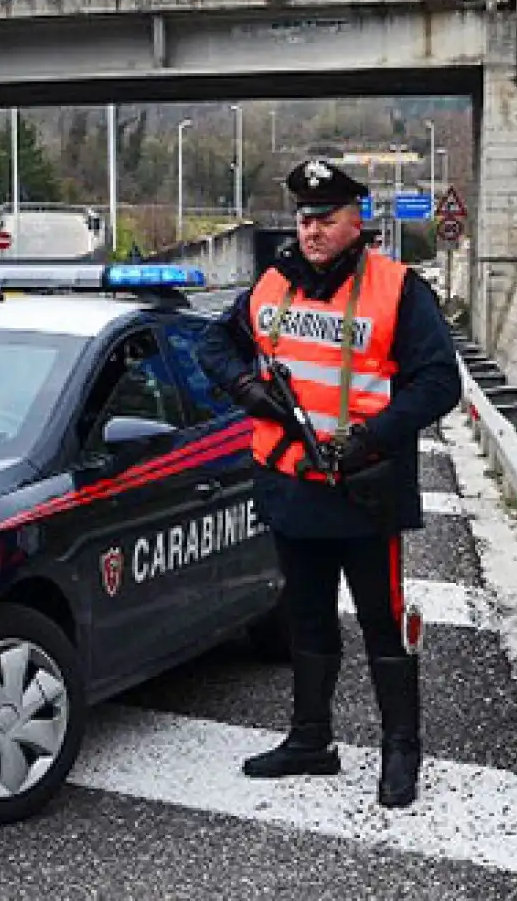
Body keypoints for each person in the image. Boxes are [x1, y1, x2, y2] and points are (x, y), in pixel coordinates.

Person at [196, 159, 462, 809]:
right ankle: (310, 741)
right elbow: (213, 346)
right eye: (305, 217)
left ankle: (403, 751)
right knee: (307, 622)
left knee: (381, 625)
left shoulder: (398, 288)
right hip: (292, 487)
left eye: (327, 218)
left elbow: (440, 382)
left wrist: (372, 437)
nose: (312, 230)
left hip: (366, 491)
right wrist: (249, 391)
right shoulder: (274, 282)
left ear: (356, 221)